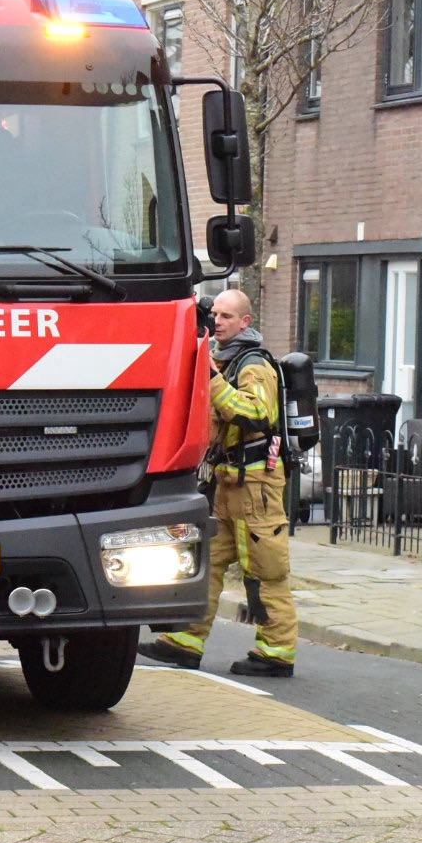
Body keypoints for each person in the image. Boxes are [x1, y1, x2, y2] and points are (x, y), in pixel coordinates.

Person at [138, 289, 299, 677]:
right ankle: (184, 642)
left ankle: (276, 652)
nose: (219, 323)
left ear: (246, 322)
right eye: (216, 316)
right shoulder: (222, 361)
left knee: (263, 569)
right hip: (228, 484)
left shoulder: (253, 364)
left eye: (228, 317)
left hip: (256, 486)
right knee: (207, 564)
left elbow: (256, 413)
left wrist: (213, 380)